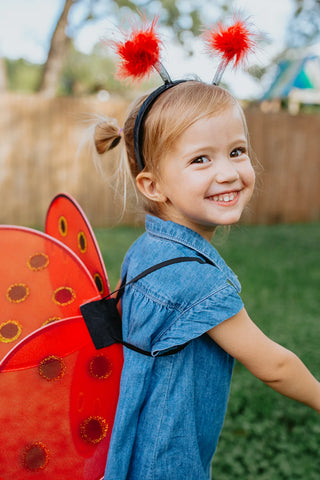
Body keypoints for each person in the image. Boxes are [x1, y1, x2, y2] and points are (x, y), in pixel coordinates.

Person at [91, 19, 320, 479]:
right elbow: (272, 364)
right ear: (152, 185)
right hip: (167, 461)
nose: (229, 172)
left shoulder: (143, 250)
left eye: (237, 151)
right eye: (201, 159)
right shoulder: (198, 280)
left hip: (128, 447)